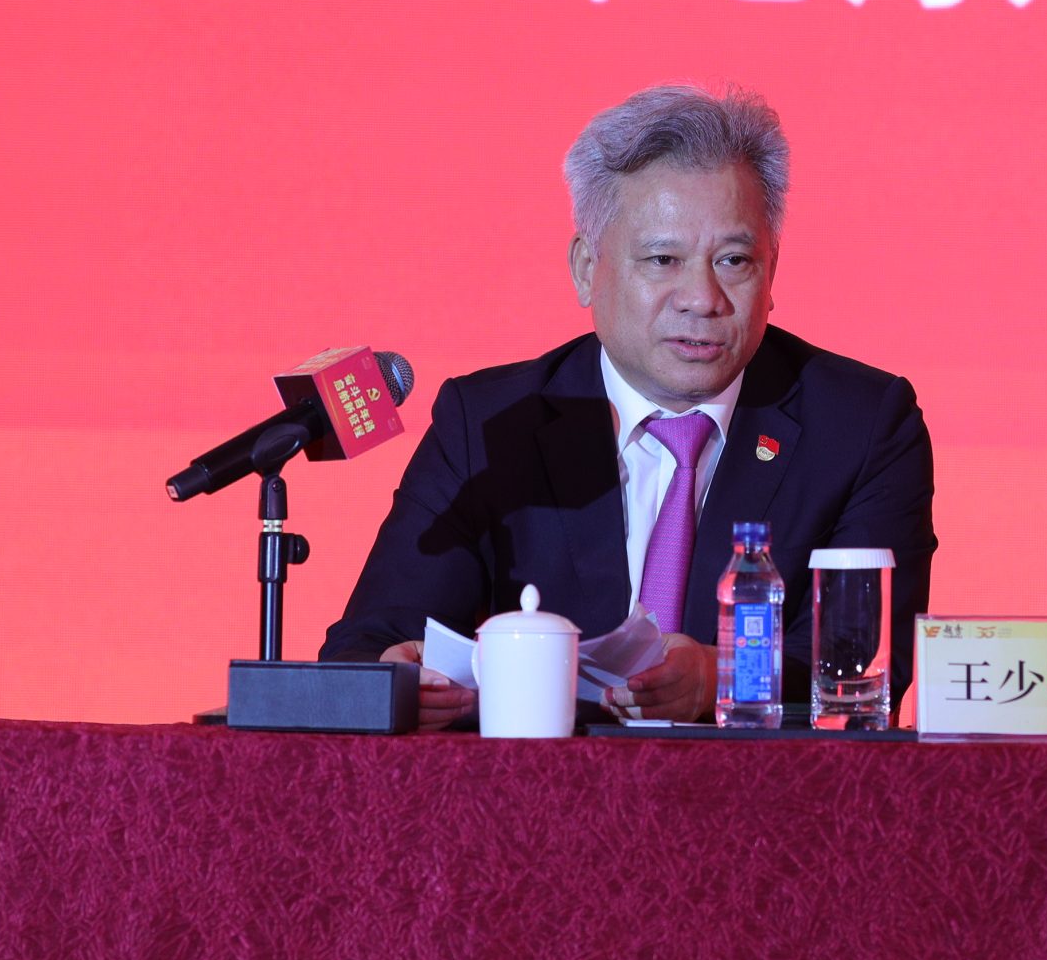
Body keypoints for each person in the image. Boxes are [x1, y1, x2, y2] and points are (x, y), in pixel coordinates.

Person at [320, 84, 935, 728]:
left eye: (733, 260)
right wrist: (400, 680)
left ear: (772, 270)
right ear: (587, 268)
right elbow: (366, 646)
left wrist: (721, 677)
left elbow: (865, 668)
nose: (702, 298)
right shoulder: (491, 425)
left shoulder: (862, 425)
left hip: (758, 787)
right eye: (663, 259)